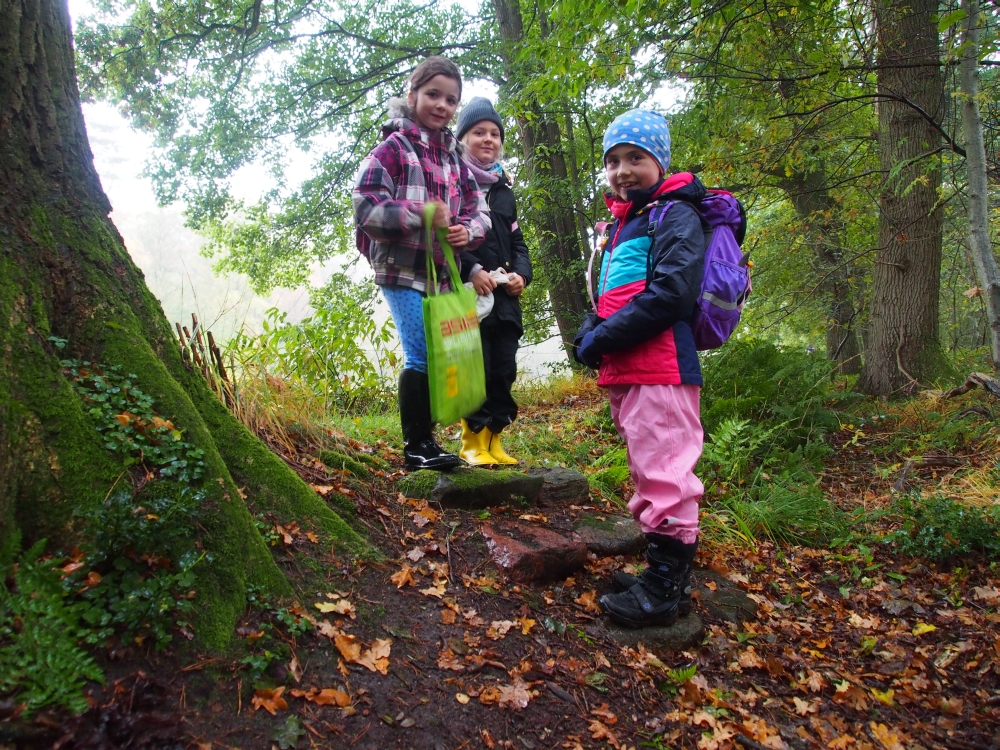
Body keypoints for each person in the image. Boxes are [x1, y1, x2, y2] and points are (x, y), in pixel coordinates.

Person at [574, 109, 707, 629]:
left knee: (667, 473)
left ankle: (663, 592)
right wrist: (592, 329)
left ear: (660, 161)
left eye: (636, 158)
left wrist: (599, 338)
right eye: (613, 161)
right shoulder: (627, 222)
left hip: (662, 365)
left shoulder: (676, 214)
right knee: (648, 469)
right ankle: (661, 574)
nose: (623, 169)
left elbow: (672, 293)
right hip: (629, 366)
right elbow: (612, 296)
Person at [353, 57, 493, 472]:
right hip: (401, 269)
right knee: (422, 353)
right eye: (433, 94)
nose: (442, 105)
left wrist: (467, 230)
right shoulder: (392, 150)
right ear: (411, 96)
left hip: (444, 273)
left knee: (448, 351)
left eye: (451, 99)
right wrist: (420, 213)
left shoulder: (453, 157)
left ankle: (431, 440)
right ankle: (417, 445)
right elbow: (366, 209)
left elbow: (478, 209)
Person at [453, 98, 533, 466]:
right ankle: (471, 442)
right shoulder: (453, 181)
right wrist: (473, 268)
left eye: (495, 133)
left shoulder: (503, 190)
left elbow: (518, 242)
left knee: (503, 369)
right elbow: (446, 239)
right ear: (463, 137)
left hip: (504, 300)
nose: (488, 139)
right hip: (469, 295)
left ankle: (494, 439)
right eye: (479, 132)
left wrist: (522, 275)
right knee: (475, 369)